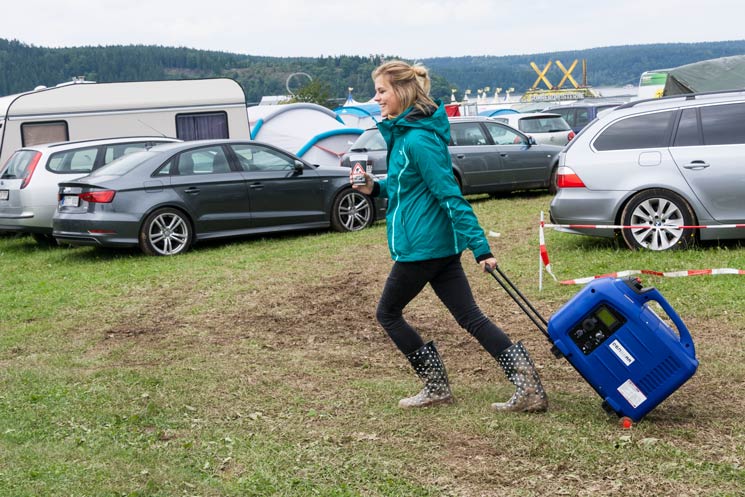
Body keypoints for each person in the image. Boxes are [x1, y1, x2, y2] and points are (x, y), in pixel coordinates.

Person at [351, 60, 548, 412]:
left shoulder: (418, 140)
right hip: (437, 245)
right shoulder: (408, 135)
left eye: (381, 91)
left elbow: (449, 194)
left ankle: (436, 386)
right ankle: (528, 387)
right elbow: (406, 190)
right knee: (470, 316)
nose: (376, 98)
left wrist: (481, 248)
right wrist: (373, 187)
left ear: (401, 91)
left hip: (422, 248)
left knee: (388, 313)